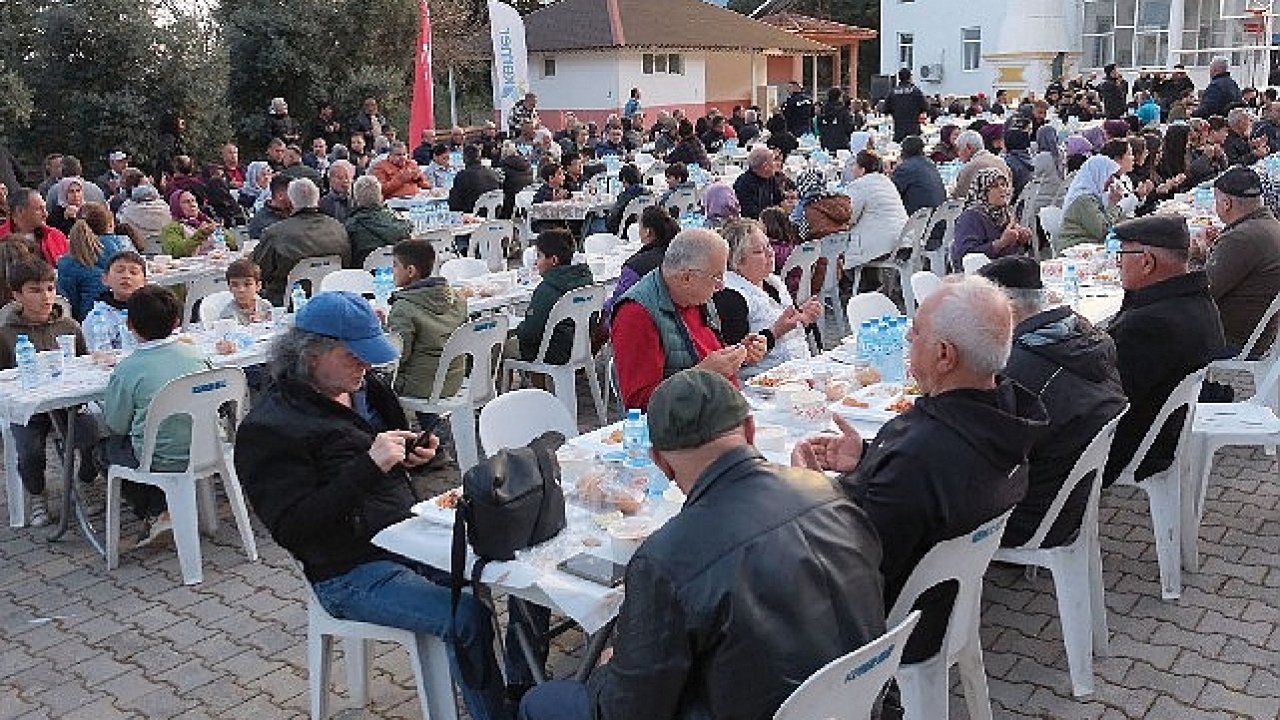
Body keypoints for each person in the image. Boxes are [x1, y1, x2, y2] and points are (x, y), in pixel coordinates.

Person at [519, 368, 885, 720]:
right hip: (859, 700)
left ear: (660, 462)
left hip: (761, 704)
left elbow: (628, 710)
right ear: (750, 429)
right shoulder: (832, 494)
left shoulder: (665, 559)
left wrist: (606, 669)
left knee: (542, 701)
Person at [233, 292, 513, 720]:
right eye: (353, 356)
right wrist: (370, 464)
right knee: (465, 616)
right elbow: (294, 528)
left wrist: (417, 453)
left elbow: (390, 449)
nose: (365, 365)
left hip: (405, 535)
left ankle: (508, 691)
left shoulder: (364, 388)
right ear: (311, 356)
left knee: (497, 568)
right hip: (346, 570)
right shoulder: (270, 428)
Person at [792, 274, 1048, 664]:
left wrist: (809, 491)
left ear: (944, 355)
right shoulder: (1009, 411)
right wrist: (868, 458)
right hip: (945, 593)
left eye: (914, 335)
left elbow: (853, 564)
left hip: (893, 621)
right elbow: (916, 493)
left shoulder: (920, 453)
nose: (908, 344)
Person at [976, 257, 1127, 548]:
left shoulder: (1021, 369)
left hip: (1031, 517)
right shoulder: (1083, 336)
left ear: (1005, 306)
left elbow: (984, 451)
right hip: (1069, 498)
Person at [1103, 214, 1227, 485]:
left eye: (1121, 255)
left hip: (1140, 443)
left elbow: (1106, 392)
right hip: (1168, 425)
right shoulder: (1196, 300)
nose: (1118, 264)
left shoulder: (1149, 324)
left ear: (1147, 262)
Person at [100, 285, 212, 544]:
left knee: (106, 451)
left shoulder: (127, 370)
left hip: (159, 458)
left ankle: (157, 510)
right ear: (176, 322)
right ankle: (167, 508)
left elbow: (116, 424)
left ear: (129, 325)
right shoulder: (196, 355)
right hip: (208, 447)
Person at [611, 229, 765, 409]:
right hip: (683, 428)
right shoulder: (636, 314)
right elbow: (639, 404)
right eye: (716, 277)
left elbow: (702, 352)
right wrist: (701, 375)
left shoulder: (695, 297)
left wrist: (740, 353)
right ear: (686, 277)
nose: (721, 286)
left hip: (720, 410)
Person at [1, 258, 97, 527]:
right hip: (29, 408)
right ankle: (36, 492)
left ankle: (86, 479)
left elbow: (85, 363)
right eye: (35, 290)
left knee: (92, 433)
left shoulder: (69, 327)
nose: (45, 296)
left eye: (50, 288)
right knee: (30, 450)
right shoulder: (5, 333)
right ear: (17, 295)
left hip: (67, 403)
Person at [712, 219, 820, 378]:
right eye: (758, 251)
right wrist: (775, 331)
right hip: (763, 382)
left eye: (768, 246)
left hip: (800, 371)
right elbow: (736, 358)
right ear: (737, 261)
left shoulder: (773, 283)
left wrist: (804, 319)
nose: (771, 253)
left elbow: (793, 334)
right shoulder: (731, 296)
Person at [1203, 167, 1280, 356]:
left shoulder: (1241, 238)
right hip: (1262, 335)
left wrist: (1194, 256)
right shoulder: (1270, 225)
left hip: (1235, 342)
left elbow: (1203, 292)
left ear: (1226, 203)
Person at [387, 239, 468, 403]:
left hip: (420, 387)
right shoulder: (458, 297)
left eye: (395, 265)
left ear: (410, 271)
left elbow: (398, 357)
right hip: (454, 379)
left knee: (370, 382)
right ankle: (430, 425)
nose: (392, 271)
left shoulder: (403, 307)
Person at [253, 179, 351, 304]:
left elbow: (258, 271)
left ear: (291, 202)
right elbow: (347, 264)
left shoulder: (275, 234)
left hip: (287, 302)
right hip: (332, 299)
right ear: (317, 199)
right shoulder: (338, 228)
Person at [511, 229, 594, 364]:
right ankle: (546, 383)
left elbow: (530, 333)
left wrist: (518, 329)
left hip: (553, 353)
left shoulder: (548, 289)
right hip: (582, 347)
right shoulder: (586, 280)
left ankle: (532, 384)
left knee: (501, 348)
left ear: (554, 260)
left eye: (539, 256)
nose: (535, 263)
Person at [603, 206, 680, 323]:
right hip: (677, 322)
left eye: (640, 226)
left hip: (642, 324)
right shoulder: (679, 256)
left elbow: (617, 304)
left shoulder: (635, 267)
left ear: (647, 232)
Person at [57, 204, 130, 320]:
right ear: (109, 225)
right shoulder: (122, 252)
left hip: (77, 325)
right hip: (120, 320)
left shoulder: (66, 262)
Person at [952, 168, 1033, 267]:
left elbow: (1013, 252)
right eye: (995, 186)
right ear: (983, 192)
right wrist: (1000, 243)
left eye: (1003, 185)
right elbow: (965, 256)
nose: (1002, 189)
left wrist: (1022, 241)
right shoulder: (971, 216)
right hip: (981, 275)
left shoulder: (1006, 213)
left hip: (1007, 269)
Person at [844, 153, 906, 263]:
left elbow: (849, 217)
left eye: (854, 165)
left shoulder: (859, 185)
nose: (852, 169)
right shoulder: (886, 181)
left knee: (843, 257)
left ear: (862, 170)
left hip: (882, 246)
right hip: (903, 239)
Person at [345, 175, 412, 271]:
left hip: (362, 278)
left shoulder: (350, 227)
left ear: (356, 199)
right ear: (380, 196)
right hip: (399, 273)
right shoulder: (400, 222)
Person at [1057, 155, 1124, 250]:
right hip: (1075, 248)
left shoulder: (1096, 196)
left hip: (1089, 246)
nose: (1112, 181)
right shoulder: (1083, 200)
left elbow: (1114, 221)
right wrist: (1113, 204)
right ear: (1098, 174)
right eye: (1109, 176)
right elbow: (1104, 231)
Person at [3, 188, 69, 266]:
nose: (45, 214)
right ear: (20, 211)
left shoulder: (56, 236)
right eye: (39, 209)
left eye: (45, 208)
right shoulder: (2, 238)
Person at [891, 135, 947, 216]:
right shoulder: (930, 164)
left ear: (903, 151)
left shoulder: (905, 168)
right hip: (937, 216)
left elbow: (891, 193)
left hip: (918, 219)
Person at [951, 129, 1012, 200]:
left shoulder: (970, 167)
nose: (958, 153)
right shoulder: (1001, 161)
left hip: (984, 208)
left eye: (959, 149)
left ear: (969, 147)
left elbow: (959, 197)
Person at [160, 190, 218, 258]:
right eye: (186, 202)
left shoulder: (206, 221)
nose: (192, 204)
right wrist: (201, 234)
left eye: (193, 201)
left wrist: (220, 232)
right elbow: (176, 252)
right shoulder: (172, 228)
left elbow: (231, 243)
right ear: (177, 206)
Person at [733, 147, 783, 220]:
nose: (777, 164)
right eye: (773, 161)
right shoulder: (744, 184)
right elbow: (749, 213)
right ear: (765, 166)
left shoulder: (770, 178)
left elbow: (778, 199)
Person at [449, 144, 502, 214]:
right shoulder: (493, 173)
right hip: (494, 216)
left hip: (472, 217)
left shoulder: (462, 176)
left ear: (464, 159)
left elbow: (454, 205)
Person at [218, 259, 273, 325]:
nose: (241, 290)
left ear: (258, 286)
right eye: (235, 285)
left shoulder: (265, 306)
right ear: (230, 288)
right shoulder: (228, 315)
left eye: (247, 284)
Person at [885, 68, 928, 141]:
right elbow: (926, 107)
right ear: (910, 77)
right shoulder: (916, 91)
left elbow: (885, 109)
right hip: (913, 129)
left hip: (898, 130)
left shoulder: (892, 92)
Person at [247, 174, 294, 240]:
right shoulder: (262, 222)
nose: (296, 196)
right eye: (292, 193)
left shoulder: (296, 211)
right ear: (280, 195)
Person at [605, 165, 648, 235]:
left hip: (621, 231)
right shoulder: (647, 194)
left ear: (624, 179)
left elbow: (612, 220)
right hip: (640, 230)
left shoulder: (625, 196)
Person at [498, 142, 534, 219]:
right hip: (525, 206)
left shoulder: (503, 166)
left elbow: (500, 185)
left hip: (510, 206)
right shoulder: (528, 166)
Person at [816, 87, 855, 152]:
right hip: (842, 144)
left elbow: (819, 126)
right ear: (840, 97)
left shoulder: (822, 110)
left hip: (825, 144)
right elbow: (849, 128)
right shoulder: (844, 111)